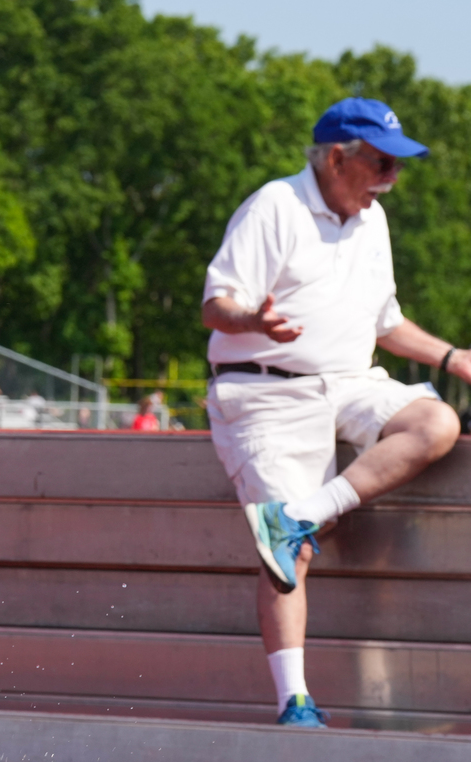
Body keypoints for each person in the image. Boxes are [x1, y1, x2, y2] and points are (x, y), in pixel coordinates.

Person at [201, 97, 468, 728]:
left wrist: (455, 357)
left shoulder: (372, 220)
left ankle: (299, 517)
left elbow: (388, 324)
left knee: (437, 423)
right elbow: (217, 306)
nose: (392, 178)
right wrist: (252, 319)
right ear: (337, 157)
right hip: (266, 393)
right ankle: (293, 702)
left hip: (349, 382)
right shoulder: (277, 205)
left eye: (398, 165)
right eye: (382, 162)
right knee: (289, 557)